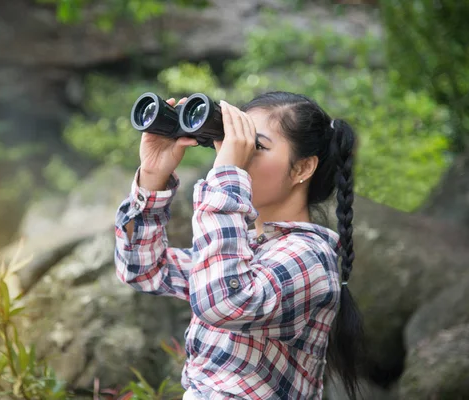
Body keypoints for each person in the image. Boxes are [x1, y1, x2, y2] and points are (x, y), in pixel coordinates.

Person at [114, 91, 364, 399]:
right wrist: (153, 175)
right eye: (235, 142)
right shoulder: (244, 245)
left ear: (301, 169)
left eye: (254, 146)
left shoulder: (308, 258)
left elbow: (224, 303)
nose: (236, 156)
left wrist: (227, 176)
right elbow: (144, 270)